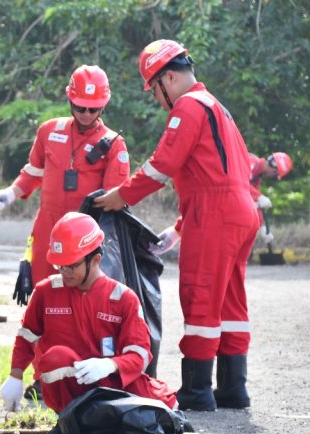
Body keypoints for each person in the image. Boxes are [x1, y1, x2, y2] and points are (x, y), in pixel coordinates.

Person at [94, 39, 259, 412]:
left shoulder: (187, 108)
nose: (156, 97)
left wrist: (122, 196)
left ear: (168, 78)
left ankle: (198, 391)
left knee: (200, 295)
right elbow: (220, 174)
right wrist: (182, 226)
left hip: (215, 214)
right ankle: (234, 388)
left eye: (154, 89)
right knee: (231, 300)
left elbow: (161, 165)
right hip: (239, 211)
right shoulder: (217, 106)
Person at [0, 213, 176, 434]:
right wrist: (15, 376)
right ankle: (67, 423)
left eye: (71, 266)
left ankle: (102, 424)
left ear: (96, 259)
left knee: (161, 411)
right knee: (55, 358)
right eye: (59, 265)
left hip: (111, 386)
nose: (64, 272)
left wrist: (110, 365)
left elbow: (140, 355)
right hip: (69, 390)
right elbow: (26, 336)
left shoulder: (123, 298)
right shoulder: (45, 292)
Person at [0, 64, 130, 306]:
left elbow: (113, 200)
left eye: (93, 109)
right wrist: (11, 193)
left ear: (104, 105)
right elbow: (32, 174)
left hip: (84, 237)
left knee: (79, 301)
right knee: (43, 296)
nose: (86, 113)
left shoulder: (113, 145)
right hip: (47, 229)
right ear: (69, 99)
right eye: (79, 107)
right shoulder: (49, 131)